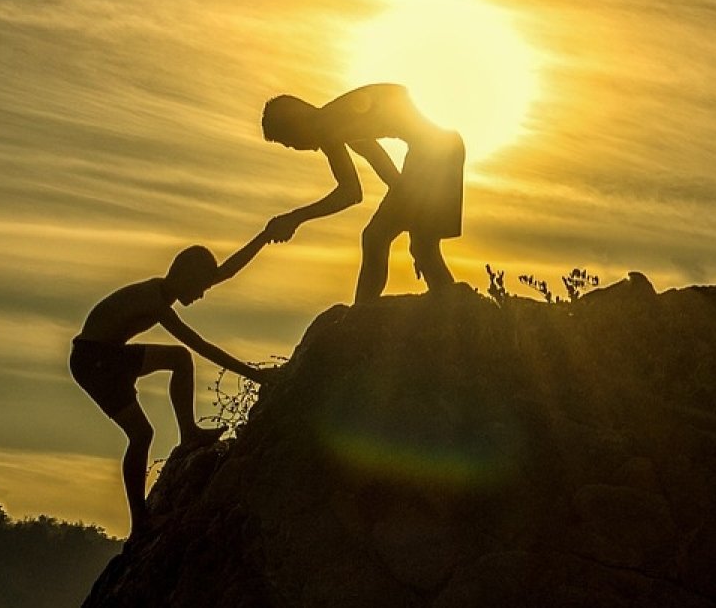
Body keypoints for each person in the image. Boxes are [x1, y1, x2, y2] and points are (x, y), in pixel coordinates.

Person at [69, 230, 276, 537]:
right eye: (201, 286)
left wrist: (265, 236)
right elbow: (200, 345)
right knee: (142, 432)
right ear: (186, 275)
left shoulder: (165, 291)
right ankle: (141, 521)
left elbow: (226, 272)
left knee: (173, 371)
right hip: (95, 360)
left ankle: (188, 433)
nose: (203, 294)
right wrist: (256, 375)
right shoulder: (154, 301)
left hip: (105, 355)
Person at [260, 83, 466, 304]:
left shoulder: (326, 126)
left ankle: (362, 315)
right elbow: (381, 164)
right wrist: (413, 220)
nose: (295, 147)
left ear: (296, 125)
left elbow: (350, 192)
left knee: (376, 238)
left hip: (433, 155)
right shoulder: (336, 119)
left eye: (289, 142)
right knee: (423, 248)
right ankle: (452, 312)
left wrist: (295, 218)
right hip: (444, 148)